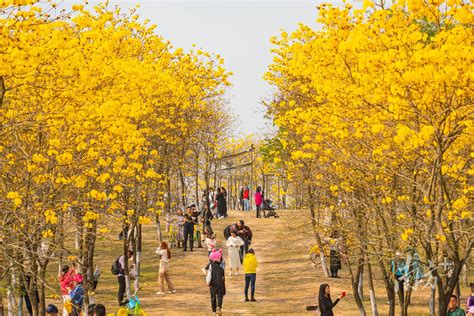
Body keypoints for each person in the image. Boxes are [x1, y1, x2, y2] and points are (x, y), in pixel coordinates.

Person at [206, 249, 226, 315]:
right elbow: (223, 278)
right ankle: (219, 307)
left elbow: (208, 275)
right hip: (220, 284)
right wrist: (223, 287)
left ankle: (213, 311)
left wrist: (208, 282)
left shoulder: (210, 267)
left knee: (213, 297)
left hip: (212, 284)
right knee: (220, 296)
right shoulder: (221, 269)